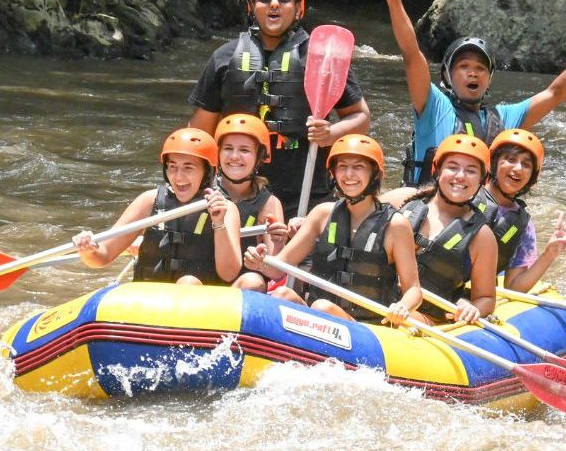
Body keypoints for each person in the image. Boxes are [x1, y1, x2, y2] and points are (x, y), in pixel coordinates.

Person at [188, 0, 371, 218]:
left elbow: (360, 117)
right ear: (251, 7)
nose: (274, 3)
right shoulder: (224, 57)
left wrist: (331, 133)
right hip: (238, 189)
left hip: (306, 189)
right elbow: (199, 134)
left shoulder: (320, 58)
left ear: (298, 8)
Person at [382, 0, 566, 185]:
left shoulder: (503, 119)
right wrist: (395, 3)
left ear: (489, 79)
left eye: (480, 68)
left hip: (477, 215)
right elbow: (412, 54)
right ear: (447, 77)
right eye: (464, 66)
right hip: (429, 209)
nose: (473, 73)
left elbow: (556, 92)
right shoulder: (432, 106)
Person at [243, 134, 423, 326]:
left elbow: (414, 290)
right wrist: (260, 262)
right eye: (342, 167)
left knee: (323, 307)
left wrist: (403, 306)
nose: (349, 175)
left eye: (358, 167)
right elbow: (279, 268)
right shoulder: (322, 214)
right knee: (282, 294)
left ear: (375, 174)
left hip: (368, 328)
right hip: (320, 320)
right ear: (333, 173)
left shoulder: (395, 225)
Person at [73, 128, 242, 285]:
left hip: (196, 304)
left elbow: (229, 274)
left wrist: (219, 223)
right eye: (172, 167)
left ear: (207, 172)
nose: (178, 176)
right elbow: (102, 257)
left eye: (188, 167)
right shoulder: (149, 201)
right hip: (151, 301)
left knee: (188, 283)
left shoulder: (225, 208)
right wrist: (89, 250)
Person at [394, 134, 498, 325]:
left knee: (405, 320)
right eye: (452, 167)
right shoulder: (404, 201)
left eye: (471, 170)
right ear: (437, 170)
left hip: (427, 319)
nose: (460, 176)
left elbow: (487, 298)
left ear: (482, 180)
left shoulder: (482, 236)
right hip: (380, 303)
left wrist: (473, 308)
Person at [476, 128, 566, 291]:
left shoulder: (523, 225)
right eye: (510, 159)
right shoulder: (466, 194)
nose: (518, 168)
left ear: (532, 176)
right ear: (494, 163)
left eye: (526, 164)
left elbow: (513, 287)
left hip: (475, 299)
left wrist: (548, 255)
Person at [214, 113, 287, 291]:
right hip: (198, 285)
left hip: (240, 291)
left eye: (244, 150)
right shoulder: (202, 192)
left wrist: (278, 245)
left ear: (259, 157)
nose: (234, 156)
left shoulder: (269, 203)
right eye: (228, 148)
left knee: (253, 281)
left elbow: (276, 272)